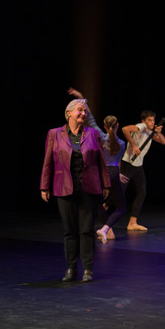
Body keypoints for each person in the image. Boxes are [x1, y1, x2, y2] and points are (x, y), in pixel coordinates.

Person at [40, 99, 110, 282]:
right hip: (63, 188)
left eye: (85, 111)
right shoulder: (54, 134)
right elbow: (48, 162)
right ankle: (71, 269)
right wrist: (44, 186)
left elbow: (101, 162)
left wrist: (106, 184)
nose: (83, 114)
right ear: (68, 113)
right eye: (80, 110)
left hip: (88, 188)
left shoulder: (93, 134)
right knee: (69, 231)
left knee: (86, 230)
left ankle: (88, 269)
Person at [67, 88, 126, 242]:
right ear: (117, 126)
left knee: (98, 203)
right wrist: (117, 175)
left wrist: (80, 97)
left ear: (105, 127)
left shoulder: (100, 135)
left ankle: (107, 230)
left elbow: (90, 118)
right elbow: (117, 162)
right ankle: (105, 229)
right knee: (121, 207)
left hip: (101, 173)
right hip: (112, 172)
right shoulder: (121, 143)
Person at [120, 110, 165, 231]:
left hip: (138, 166)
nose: (152, 122)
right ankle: (102, 209)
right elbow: (125, 129)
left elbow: (163, 141)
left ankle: (132, 223)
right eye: (149, 120)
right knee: (119, 193)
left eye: (153, 120)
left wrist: (158, 132)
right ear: (143, 121)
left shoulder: (150, 131)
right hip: (129, 163)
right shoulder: (141, 126)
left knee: (142, 193)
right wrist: (134, 145)